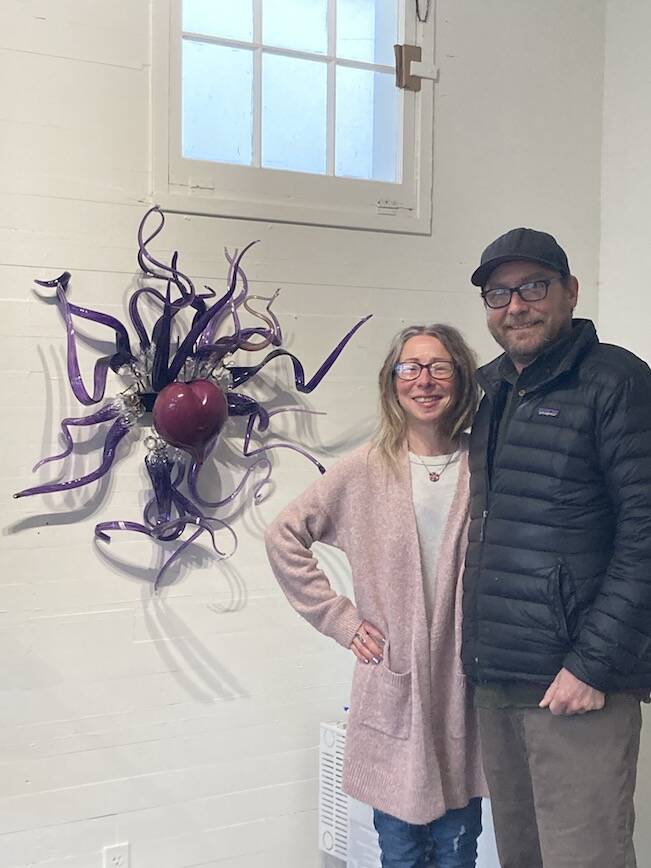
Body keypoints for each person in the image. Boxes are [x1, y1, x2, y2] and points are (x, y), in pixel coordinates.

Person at [463, 226, 651, 868]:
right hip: (500, 679)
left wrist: (593, 665)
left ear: (570, 291)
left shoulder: (618, 382)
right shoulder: (495, 394)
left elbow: (645, 535)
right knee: (522, 857)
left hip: (578, 684)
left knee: (585, 857)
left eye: (533, 286)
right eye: (498, 293)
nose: (515, 305)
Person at [265, 324, 487, 868]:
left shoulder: (484, 464)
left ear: (460, 378)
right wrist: (341, 619)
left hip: (466, 682)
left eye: (439, 367)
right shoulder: (365, 470)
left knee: (459, 847)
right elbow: (284, 535)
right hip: (396, 681)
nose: (424, 380)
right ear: (392, 383)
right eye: (409, 368)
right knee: (402, 851)